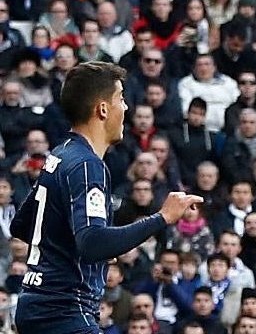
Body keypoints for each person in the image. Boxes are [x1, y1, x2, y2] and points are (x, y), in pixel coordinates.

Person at [11, 62, 203, 333]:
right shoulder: (87, 165)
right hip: (66, 310)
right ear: (102, 109)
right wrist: (163, 217)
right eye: (121, 99)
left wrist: (92, 245)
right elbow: (92, 243)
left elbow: (21, 224)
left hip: (35, 305)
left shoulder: (60, 154)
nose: (125, 107)